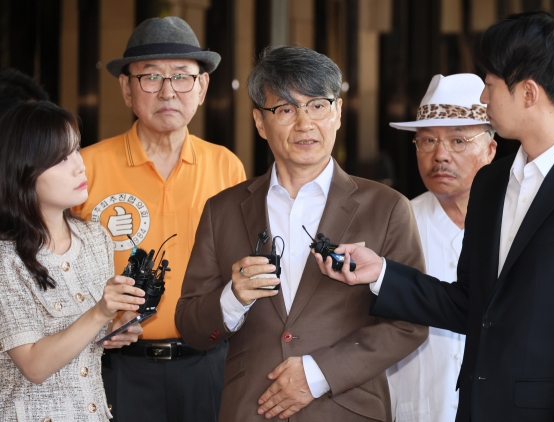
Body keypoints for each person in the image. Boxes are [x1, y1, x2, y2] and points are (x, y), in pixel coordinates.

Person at [317, 11, 554, 422]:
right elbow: (468, 304)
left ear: (527, 93)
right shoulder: (493, 182)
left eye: (489, 85)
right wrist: (381, 273)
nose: (484, 100)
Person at [176, 45, 429, 422]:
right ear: (260, 123)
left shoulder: (387, 207)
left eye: (318, 105)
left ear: (338, 113)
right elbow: (192, 326)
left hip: (347, 409)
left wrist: (318, 374)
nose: (305, 123)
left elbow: (411, 323)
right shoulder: (223, 209)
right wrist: (233, 298)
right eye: (285, 109)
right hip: (250, 408)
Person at [72, 16, 246, 422]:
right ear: (127, 89)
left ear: (202, 88)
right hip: (114, 369)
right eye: (150, 77)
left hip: (208, 366)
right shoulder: (86, 168)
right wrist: (100, 322)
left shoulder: (226, 167)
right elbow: (57, 273)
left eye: (182, 77)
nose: (167, 91)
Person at [0, 101, 143, 421]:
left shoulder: (96, 238)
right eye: (62, 158)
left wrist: (116, 329)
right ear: (25, 170)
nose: (80, 166)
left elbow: (91, 337)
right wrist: (101, 313)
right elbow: (34, 366)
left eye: (76, 150)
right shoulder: (6, 259)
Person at [386, 73, 496, 422]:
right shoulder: (396, 223)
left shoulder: (514, 226)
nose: (440, 155)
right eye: (427, 141)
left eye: (459, 141)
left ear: (490, 149)